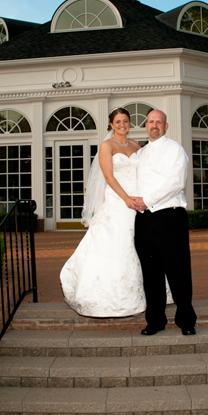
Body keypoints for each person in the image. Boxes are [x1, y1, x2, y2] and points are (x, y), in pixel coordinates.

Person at [59, 108, 146, 317]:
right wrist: (126, 199)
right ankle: (112, 296)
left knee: (139, 244)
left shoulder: (136, 145)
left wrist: (143, 198)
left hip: (138, 202)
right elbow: (109, 177)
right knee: (118, 243)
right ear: (111, 124)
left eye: (125, 121)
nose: (122, 125)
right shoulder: (106, 146)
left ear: (129, 123)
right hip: (119, 201)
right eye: (118, 122)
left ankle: (140, 291)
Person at [132, 109, 196, 336]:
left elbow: (176, 182)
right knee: (151, 274)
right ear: (146, 126)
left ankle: (186, 320)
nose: (155, 125)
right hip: (143, 220)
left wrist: (146, 200)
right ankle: (156, 320)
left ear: (166, 126)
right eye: (151, 121)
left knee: (177, 270)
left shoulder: (175, 149)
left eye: (159, 122)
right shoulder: (139, 153)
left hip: (170, 217)